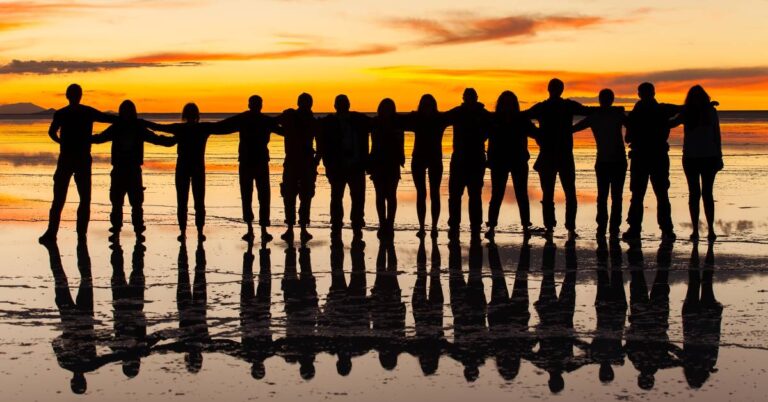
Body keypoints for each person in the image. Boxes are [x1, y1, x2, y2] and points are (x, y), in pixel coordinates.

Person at [142, 103, 231, 242]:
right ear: (197, 115)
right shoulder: (203, 128)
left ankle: (183, 232)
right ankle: (199, 232)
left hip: (183, 168)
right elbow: (224, 126)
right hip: (197, 168)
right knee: (199, 201)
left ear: (184, 115)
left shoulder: (180, 128)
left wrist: (140, 122)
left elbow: (158, 127)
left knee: (182, 201)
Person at [39, 83, 117, 243]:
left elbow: (52, 133)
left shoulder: (63, 113)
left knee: (61, 198)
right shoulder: (85, 112)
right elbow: (108, 118)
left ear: (67, 95)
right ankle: (79, 234)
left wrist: (61, 141)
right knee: (81, 198)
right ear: (78, 95)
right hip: (78, 158)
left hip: (70, 158)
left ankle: (54, 233)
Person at [91, 100, 176, 243]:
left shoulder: (135, 127)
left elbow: (157, 139)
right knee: (119, 205)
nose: (126, 114)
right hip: (122, 171)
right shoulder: (120, 127)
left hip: (131, 171)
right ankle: (120, 232)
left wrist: (174, 139)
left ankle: (135, 232)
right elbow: (99, 138)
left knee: (134, 205)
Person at [526, 78, 593, 240]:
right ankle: (560, 227)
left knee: (560, 193)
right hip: (554, 156)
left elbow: (590, 113)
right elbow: (590, 113)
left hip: (559, 156)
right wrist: (536, 134)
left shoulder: (553, 106)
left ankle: (561, 227)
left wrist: (573, 129)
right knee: (560, 193)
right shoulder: (558, 106)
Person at [217, 95, 281, 243]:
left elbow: (224, 125)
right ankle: (260, 230)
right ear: (260, 105)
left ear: (250, 104)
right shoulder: (265, 120)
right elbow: (282, 130)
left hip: (249, 162)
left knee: (250, 195)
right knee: (261, 196)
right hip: (256, 162)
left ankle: (252, 229)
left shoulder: (247, 119)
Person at [623, 82, 682, 242]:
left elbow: (627, 138)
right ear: (654, 93)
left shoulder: (636, 113)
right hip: (657, 156)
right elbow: (683, 108)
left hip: (642, 156)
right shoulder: (662, 109)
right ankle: (666, 229)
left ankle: (635, 229)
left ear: (639, 95)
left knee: (638, 195)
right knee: (661, 194)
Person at [572, 89, 628, 239]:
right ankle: (609, 226)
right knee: (613, 196)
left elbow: (573, 129)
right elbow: (632, 125)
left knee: (606, 196)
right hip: (611, 161)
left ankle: (606, 226)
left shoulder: (600, 116)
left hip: (611, 161)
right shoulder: (614, 114)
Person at [317, 94, 371, 244]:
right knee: (337, 198)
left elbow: (376, 123)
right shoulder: (329, 122)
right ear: (335, 106)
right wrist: (327, 164)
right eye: (340, 103)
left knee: (358, 199)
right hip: (337, 167)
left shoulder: (358, 119)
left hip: (356, 166)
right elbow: (323, 144)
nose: (342, 106)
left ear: (348, 104)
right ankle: (336, 227)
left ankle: (357, 227)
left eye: (344, 103)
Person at [671, 85, 723, 242]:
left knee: (699, 194)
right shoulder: (701, 112)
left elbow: (716, 134)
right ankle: (703, 230)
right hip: (701, 157)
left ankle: (705, 230)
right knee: (703, 194)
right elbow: (717, 135)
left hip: (699, 157)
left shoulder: (701, 112)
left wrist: (719, 156)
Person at [486, 90, 538, 240]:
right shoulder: (494, 120)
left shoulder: (521, 119)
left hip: (518, 161)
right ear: (500, 104)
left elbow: (536, 133)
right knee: (497, 195)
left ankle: (525, 227)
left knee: (521, 194)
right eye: (505, 103)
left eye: (510, 103)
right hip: (499, 162)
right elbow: (482, 135)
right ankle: (491, 227)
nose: (507, 106)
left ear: (514, 105)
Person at [445, 88, 492, 242]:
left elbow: (492, 132)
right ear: (464, 98)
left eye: (472, 97)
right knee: (456, 195)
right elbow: (440, 118)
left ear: (476, 98)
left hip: (476, 159)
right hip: (460, 159)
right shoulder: (458, 112)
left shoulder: (483, 114)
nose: (470, 100)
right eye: (468, 97)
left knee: (474, 195)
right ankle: (454, 224)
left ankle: (475, 225)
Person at [402, 94, 449, 238]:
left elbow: (456, 114)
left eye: (430, 105)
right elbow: (399, 121)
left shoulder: (440, 119)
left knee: (434, 193)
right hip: (419, 159)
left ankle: (434, 227)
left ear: (433, 106)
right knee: (421, 193)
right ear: (421, 106)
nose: (427, 108)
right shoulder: (416, 119)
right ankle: (422, 227)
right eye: (425, 105)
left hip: (434, 159)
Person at [276, 93, 320, 244]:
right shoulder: (290, 116)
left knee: (303, 196)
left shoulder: (310, 120)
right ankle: (294, 228)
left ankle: (300, 228)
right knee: (292, 195)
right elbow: (274, 124)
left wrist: (316, 161)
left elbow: (319, 141)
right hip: (295, 162)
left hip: (304, 163)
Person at [368, 98, 405, 240]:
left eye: (389, 108)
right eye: (385, 108)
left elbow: (400, 142)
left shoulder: (396, 123)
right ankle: (382, 223)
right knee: (380, 195)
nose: (387, 111)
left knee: (390, 195)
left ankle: (389, 223)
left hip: (392, 162)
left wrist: (401, 157)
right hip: (378, 161)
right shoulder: (375, 122)